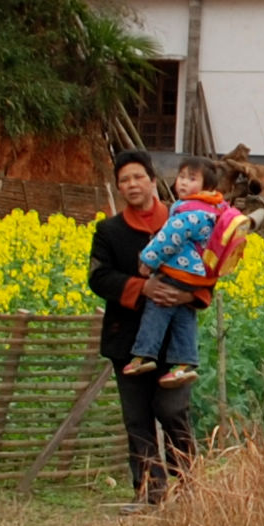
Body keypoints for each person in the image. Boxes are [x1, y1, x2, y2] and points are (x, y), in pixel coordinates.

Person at [86, 151, 195, 504]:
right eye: (124, 181)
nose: (131, 185)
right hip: (127, 339)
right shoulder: (109, 231)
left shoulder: (185, 220)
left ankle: (191, 485)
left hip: (174, 343)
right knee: (137, 419)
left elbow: (209, 267)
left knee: (172, 410)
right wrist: (142, 287)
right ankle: (150, 490)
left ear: (152, 180)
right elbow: (98, 277)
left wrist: (193, 296)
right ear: (119, 188)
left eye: (137, 177)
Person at [122, 158, 247, 384]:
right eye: (181, 177)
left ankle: (143, 355)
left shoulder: (191, 212)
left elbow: (168, 239)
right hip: (196, 277)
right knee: (183, 315)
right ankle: (184, 363)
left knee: (158, 305)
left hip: (179, 271)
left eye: (192, 179)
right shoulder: (213, 209)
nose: (183, 183)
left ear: (207, 188)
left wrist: (147, 260)